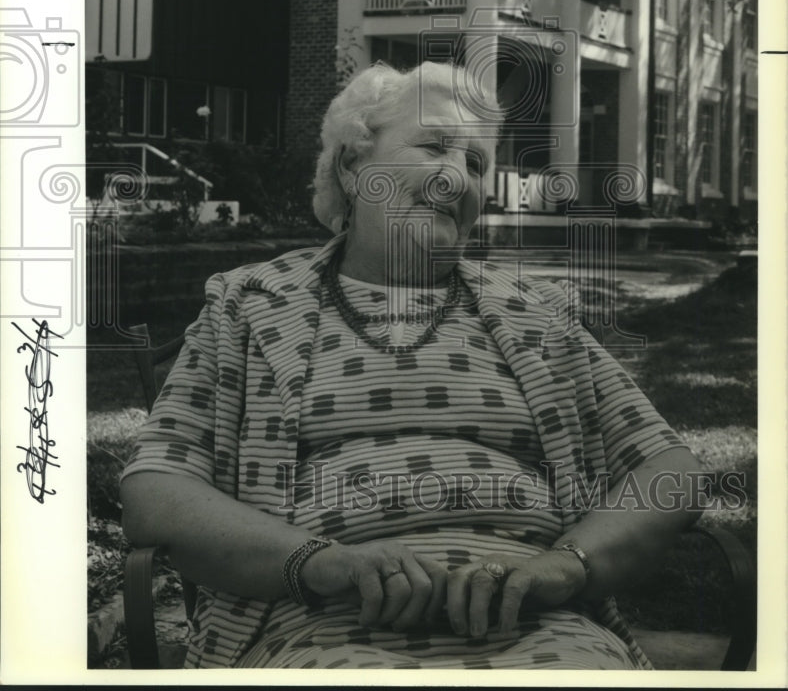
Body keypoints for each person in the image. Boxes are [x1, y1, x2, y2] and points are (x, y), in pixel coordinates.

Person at [121, 60, 703, 670]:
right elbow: (156, 491)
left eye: (477, 164)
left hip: (541, 631)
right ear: (352, 166)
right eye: (434, 147)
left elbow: (673, 471)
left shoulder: (535, 315)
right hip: (317, 629)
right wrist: (320, 562)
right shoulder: (250, 307)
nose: (458, 177)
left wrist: (566, 566)